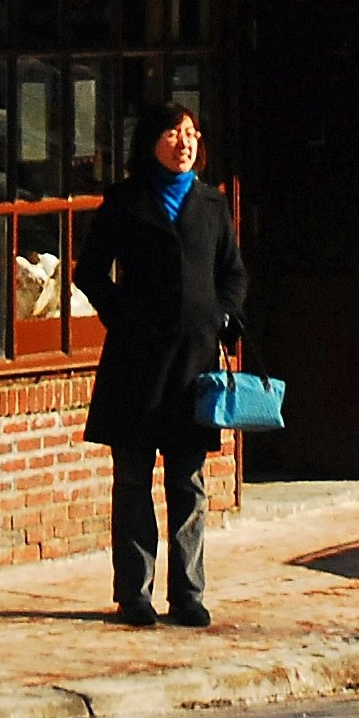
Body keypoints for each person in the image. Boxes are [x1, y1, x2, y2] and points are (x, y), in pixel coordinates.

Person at [76, 102, 247, 627]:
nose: (185, 142)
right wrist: (123, 315)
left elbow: (233, 274)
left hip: (192, 367)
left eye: (193, 133)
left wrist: (222, 315)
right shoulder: (125, 201)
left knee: (188, 482)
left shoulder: (212, 204)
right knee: (132, 480)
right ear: (151, 141)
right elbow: (89, 272)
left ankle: (188, 593)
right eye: (174, 132)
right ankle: (134, 594)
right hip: (135, 364)